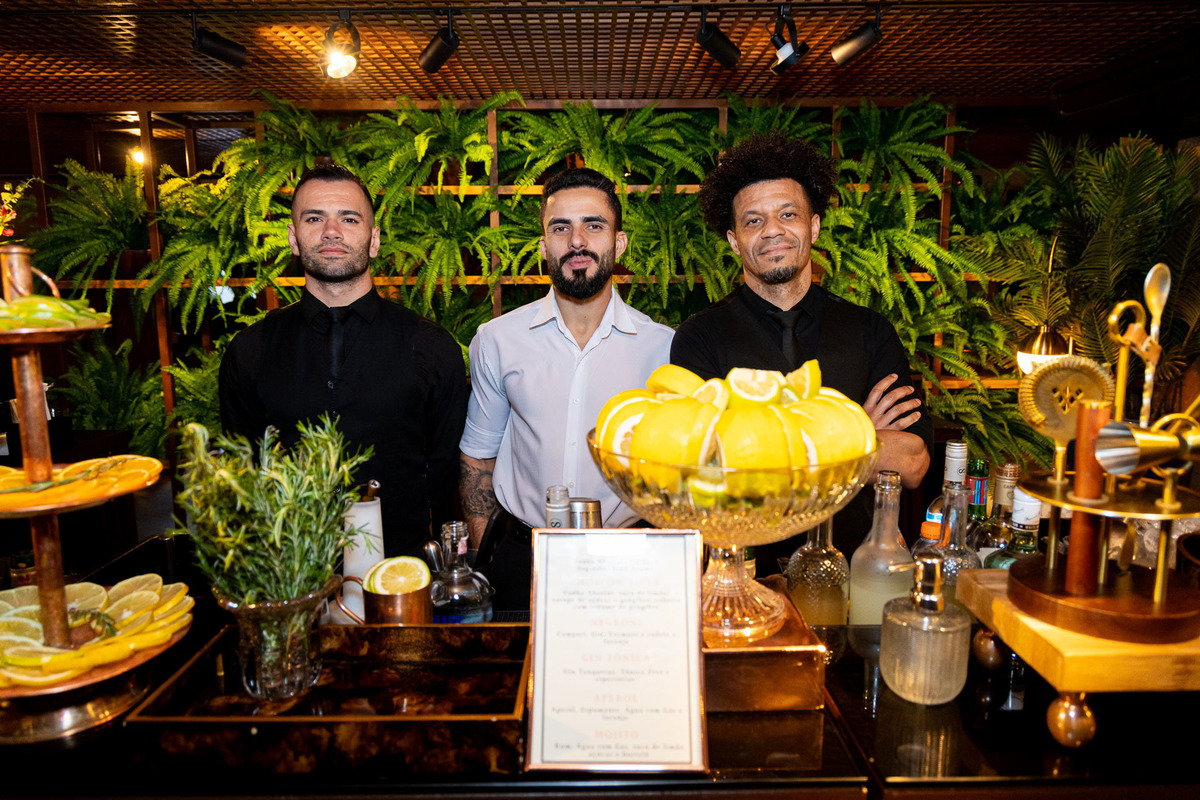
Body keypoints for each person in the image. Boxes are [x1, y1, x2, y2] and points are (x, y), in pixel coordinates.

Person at [671, 132, 932, 560]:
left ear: (813, 226)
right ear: (734, 241)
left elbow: (912, 462)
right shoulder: (700, 337)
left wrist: (767, 451)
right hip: (745, 571)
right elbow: (711, 472)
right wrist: (856, 434)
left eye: (788, 214)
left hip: (853, 566)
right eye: (753, 221)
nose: (772, 230)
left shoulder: (869, 330)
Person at [219, 164, 468, 558]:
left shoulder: (431, 347)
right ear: (293, 238)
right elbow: (242, 475)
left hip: (402, 574)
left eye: (349, 219)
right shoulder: (250, 351)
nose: (331, 231)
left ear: (374, 240)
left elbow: (445, 474)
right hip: (291, 575)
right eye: (314, 218)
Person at [459, 167, 674, 609]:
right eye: (560, 228)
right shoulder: (498, 340)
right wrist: (488, 563)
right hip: (522, 560)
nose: (577, 241)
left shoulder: (663, 349)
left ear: (618, 243)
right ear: (544, 246)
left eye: (593, 226)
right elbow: (477, 458)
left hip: (629, 561)